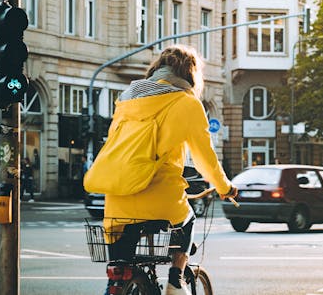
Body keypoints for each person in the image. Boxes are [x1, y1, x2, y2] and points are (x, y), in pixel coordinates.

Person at [102, 45, 238, 295]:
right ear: (190, 74)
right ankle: (175, 281)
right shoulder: (187, 103)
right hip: (160, 196)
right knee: (187, 220)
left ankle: (118, 284)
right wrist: (224, 187)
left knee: (120, 268)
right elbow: (204, 158)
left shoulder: (126, 98)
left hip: (116, 198)